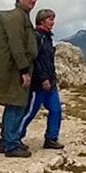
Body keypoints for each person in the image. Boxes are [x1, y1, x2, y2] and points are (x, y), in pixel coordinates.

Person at [0, 0, 39, 158]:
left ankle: (7, 141)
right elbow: (16, 45)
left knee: (14, 105)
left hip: (15, 68)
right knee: (16, 105)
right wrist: (24, 70)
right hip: (15, 70)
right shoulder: (16, 17)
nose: (33, 0)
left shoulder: (21, 17)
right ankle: (11, 144)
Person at [19, 8, 65, 151]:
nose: (53, 22)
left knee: (56, 110)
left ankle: (51, 139)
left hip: (50, 82)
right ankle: (15, 137)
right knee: (30, 112)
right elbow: (36, 60)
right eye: (50, 19)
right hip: (38, 84)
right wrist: (43, 78)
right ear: (42, 21)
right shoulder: (37, 37)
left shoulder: (48, 37)